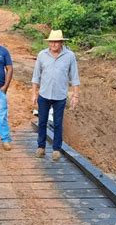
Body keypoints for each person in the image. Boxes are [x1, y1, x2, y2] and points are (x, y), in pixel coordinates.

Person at [31, 30, 80, 161]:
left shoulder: (69, 56)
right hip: (44, 94)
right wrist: (34, 93)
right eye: (51, 42)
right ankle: (41, 147)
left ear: (61, 42)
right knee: (42, 121)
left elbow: (74, 77)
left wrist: (75, 95)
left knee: (58, 123)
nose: (53, 44)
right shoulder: (42, 55)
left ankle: (56, 149)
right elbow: (36, 76)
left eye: (56, 42)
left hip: (60, 95)